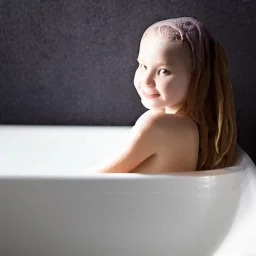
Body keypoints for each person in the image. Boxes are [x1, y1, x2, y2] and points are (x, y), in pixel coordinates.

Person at [89, 17, 237, 173]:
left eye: (163, 71)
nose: (146, 80)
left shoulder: (156, 124)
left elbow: (96, 180)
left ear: (197, 78)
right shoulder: (194, 127)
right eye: (143, 66)